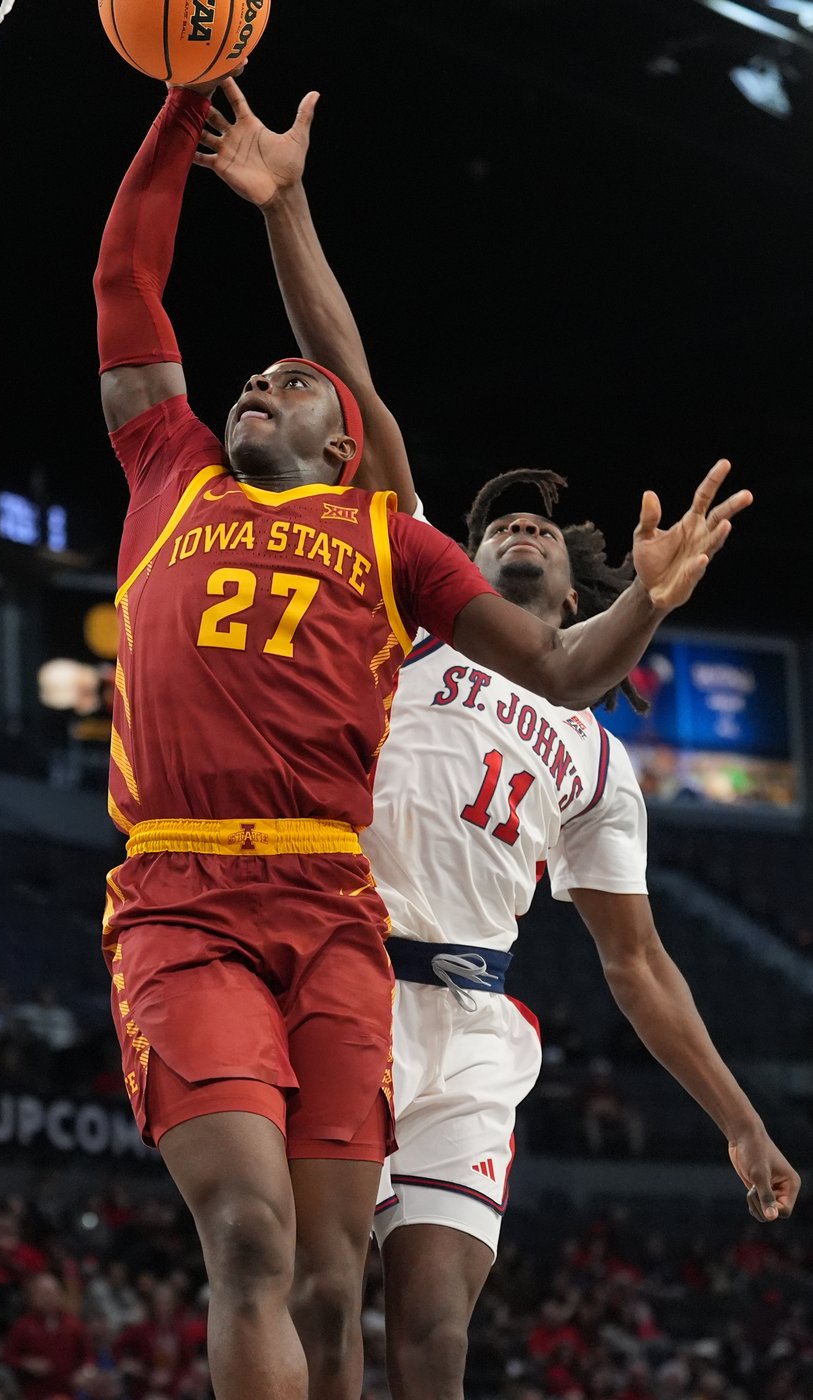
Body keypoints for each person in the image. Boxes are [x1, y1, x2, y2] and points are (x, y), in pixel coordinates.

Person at [94, 71, 750, 1400]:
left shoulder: (422, 581)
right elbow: (197, 311)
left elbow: (573, 687)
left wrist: (647, 595)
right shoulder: (219, 492)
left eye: (290, 384)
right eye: (259, 378)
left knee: (377, 1302)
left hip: (383, 947)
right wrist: (218, 145)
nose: (261, 383)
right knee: (259, 1245)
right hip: (223, 899)